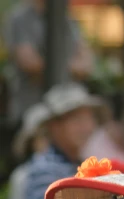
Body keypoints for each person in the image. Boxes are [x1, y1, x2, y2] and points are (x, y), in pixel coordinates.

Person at [2, 0, 94, 131]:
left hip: (68, 110)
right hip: (33, 111)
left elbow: (86, 64)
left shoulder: (67, 18)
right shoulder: (21, 18)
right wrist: (72, 69)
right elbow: (29, 63)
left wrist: (57, 68)